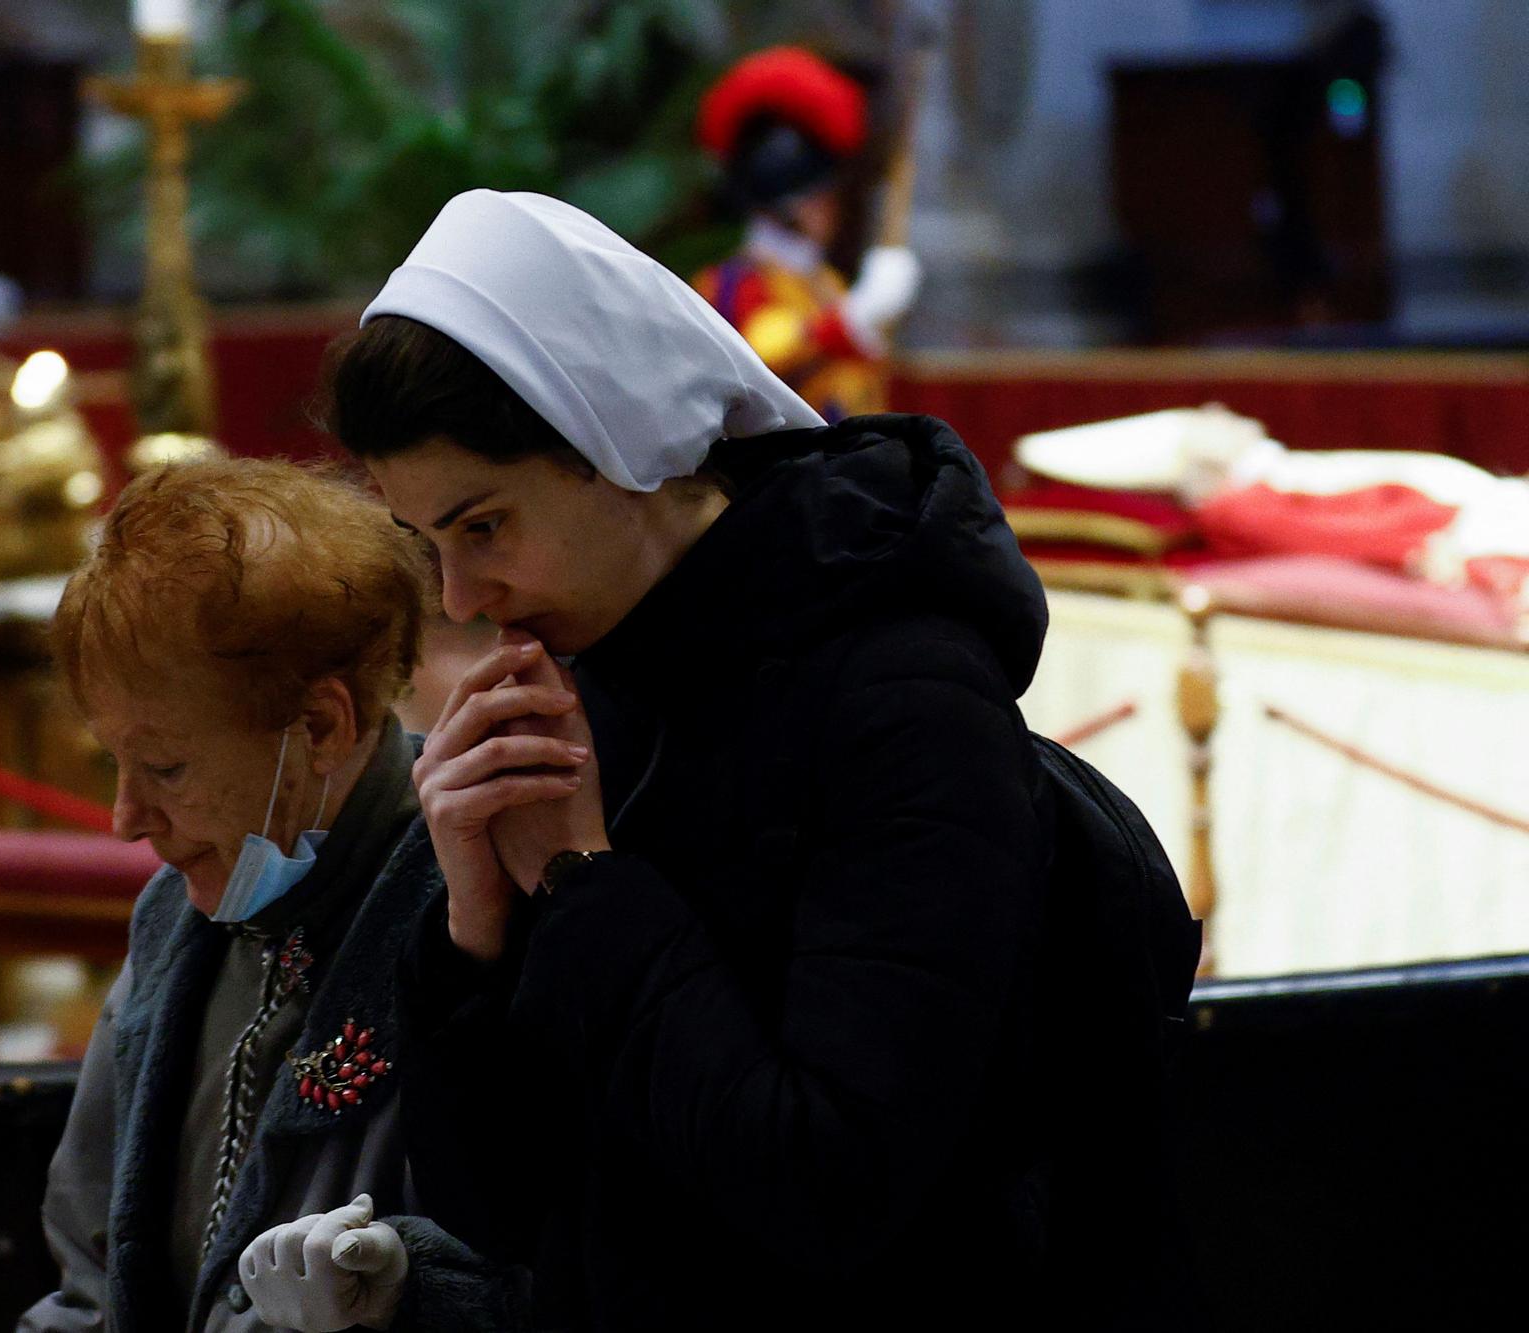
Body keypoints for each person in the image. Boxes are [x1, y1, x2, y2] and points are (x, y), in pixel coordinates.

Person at [325, 190, 1202, 1328]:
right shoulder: (597, 684)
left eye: (483, 525)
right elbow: (499, 1214)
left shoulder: (904, 699)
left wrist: (583, 886)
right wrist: (471, 940)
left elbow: (829, 1189)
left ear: (619, 443)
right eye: (426, 543)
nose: (457, 596)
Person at [19, 457, 526, 1333]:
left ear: (321, 726)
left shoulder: (477, 895)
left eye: (166, 765)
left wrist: (404, 1295)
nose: (125, 818)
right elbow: (88, 1278)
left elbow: (551, 1268)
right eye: (115, 762)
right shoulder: (177, 913)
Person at [691, 45, 922, 420]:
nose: (832, 209)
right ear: (791, 207)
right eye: (821, 197)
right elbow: (761, 356)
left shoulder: (823, 282)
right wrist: (855, 318)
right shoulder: (730, 284)